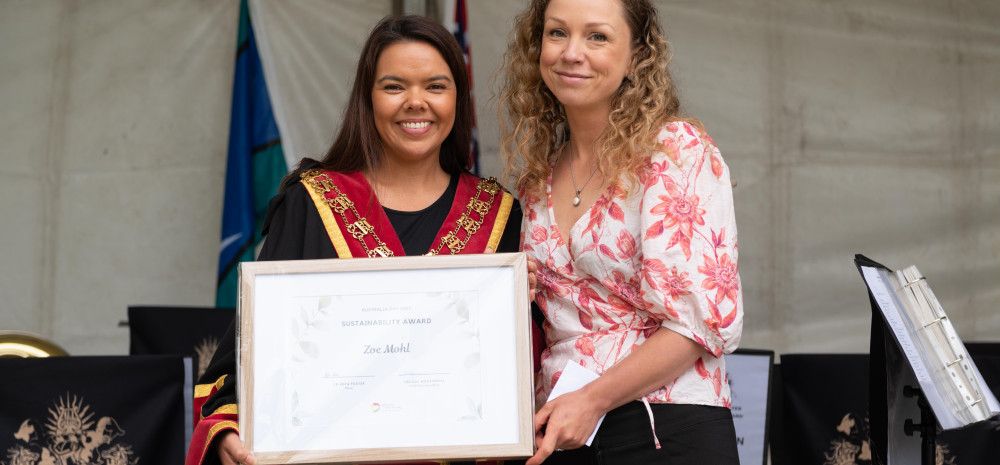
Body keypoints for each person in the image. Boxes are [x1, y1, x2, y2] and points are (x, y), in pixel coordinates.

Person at [186, 15, 530, 465]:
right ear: (367, 99)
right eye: (393, 86)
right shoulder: (310, 204)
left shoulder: (499, 214)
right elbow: (244, 362)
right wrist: (229, 431)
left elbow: (514, 365)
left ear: (457, 99)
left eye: (435, 86)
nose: (415, 102)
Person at [500, 0, 743, 463]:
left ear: (636, 56)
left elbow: (701, 322)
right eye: (557, 33)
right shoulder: (537, 181)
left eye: (598, 36)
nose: (572, 52)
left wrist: (591, 401)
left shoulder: (675, 152)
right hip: (562, 428)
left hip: (665, 423)